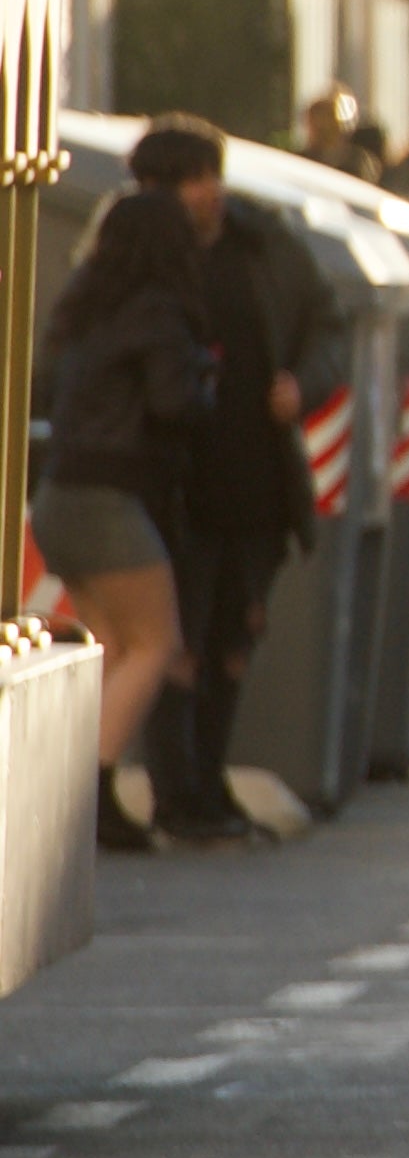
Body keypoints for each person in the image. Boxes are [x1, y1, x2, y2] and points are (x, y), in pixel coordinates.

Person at [127, 117, 332, 844]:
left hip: (257, 482)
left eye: (210, 174)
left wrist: (300, 385)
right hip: (180, 488)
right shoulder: (140, 253)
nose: (205, 191)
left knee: (233, 640)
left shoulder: (264, 244)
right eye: (189, 178)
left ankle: (208, 784)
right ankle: (177, 793)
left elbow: (325, 325)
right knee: (176, 643)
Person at [34, 189, 212, 849]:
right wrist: (206, 380)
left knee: (107, 645)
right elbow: (174, 403)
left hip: (61, 491)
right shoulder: (157, 311)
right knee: (155, 642)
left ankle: (73, 783)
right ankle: (95, 790)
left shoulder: (85, 305)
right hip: (112, 495)